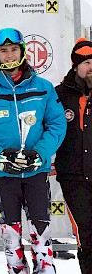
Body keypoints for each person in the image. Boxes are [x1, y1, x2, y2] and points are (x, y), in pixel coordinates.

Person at [0, 28, 66, 274]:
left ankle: (45, 269)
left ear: (22, 51)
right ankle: (16, 270)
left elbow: (57, 124)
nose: (9, 55)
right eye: (3, 51)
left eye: (13, 50)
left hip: (36, 171)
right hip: (2, 172)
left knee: (41, 229)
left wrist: (40, 153)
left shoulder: (43, 87)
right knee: (10, 233)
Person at [55, 37, 92, 274]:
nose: (91, 67)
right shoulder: (58, 95)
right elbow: (47, 130)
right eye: (87, 62)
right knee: (87, 235)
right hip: (74, 178)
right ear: (75, 65)